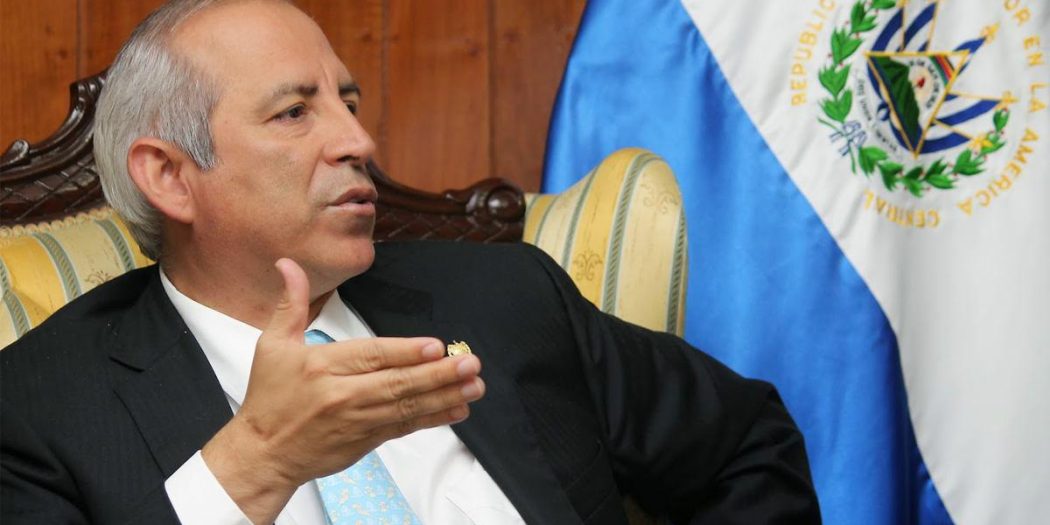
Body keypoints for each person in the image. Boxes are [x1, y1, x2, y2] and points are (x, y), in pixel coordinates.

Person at [0, 0, 821, 523]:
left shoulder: (506, 295)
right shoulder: (37, 410)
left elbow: (747, 442)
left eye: (349, 102)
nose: (357, 140)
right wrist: (257, 463)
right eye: (294, 113)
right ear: (170, 177)